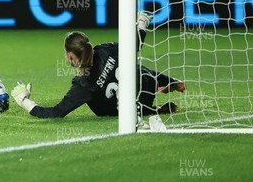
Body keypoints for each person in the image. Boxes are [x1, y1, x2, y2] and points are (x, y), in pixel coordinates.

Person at [11, 12, 186, 119]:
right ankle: (171, 82)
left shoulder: (83, 85)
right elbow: (135, 45)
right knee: (135, 67)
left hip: (136, 109)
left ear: (70, 56)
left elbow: (56, 112)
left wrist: (24, 101)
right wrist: (141, 23)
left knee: (123, 84)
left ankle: (157, 108)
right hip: (145, 89)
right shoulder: (103, 50)